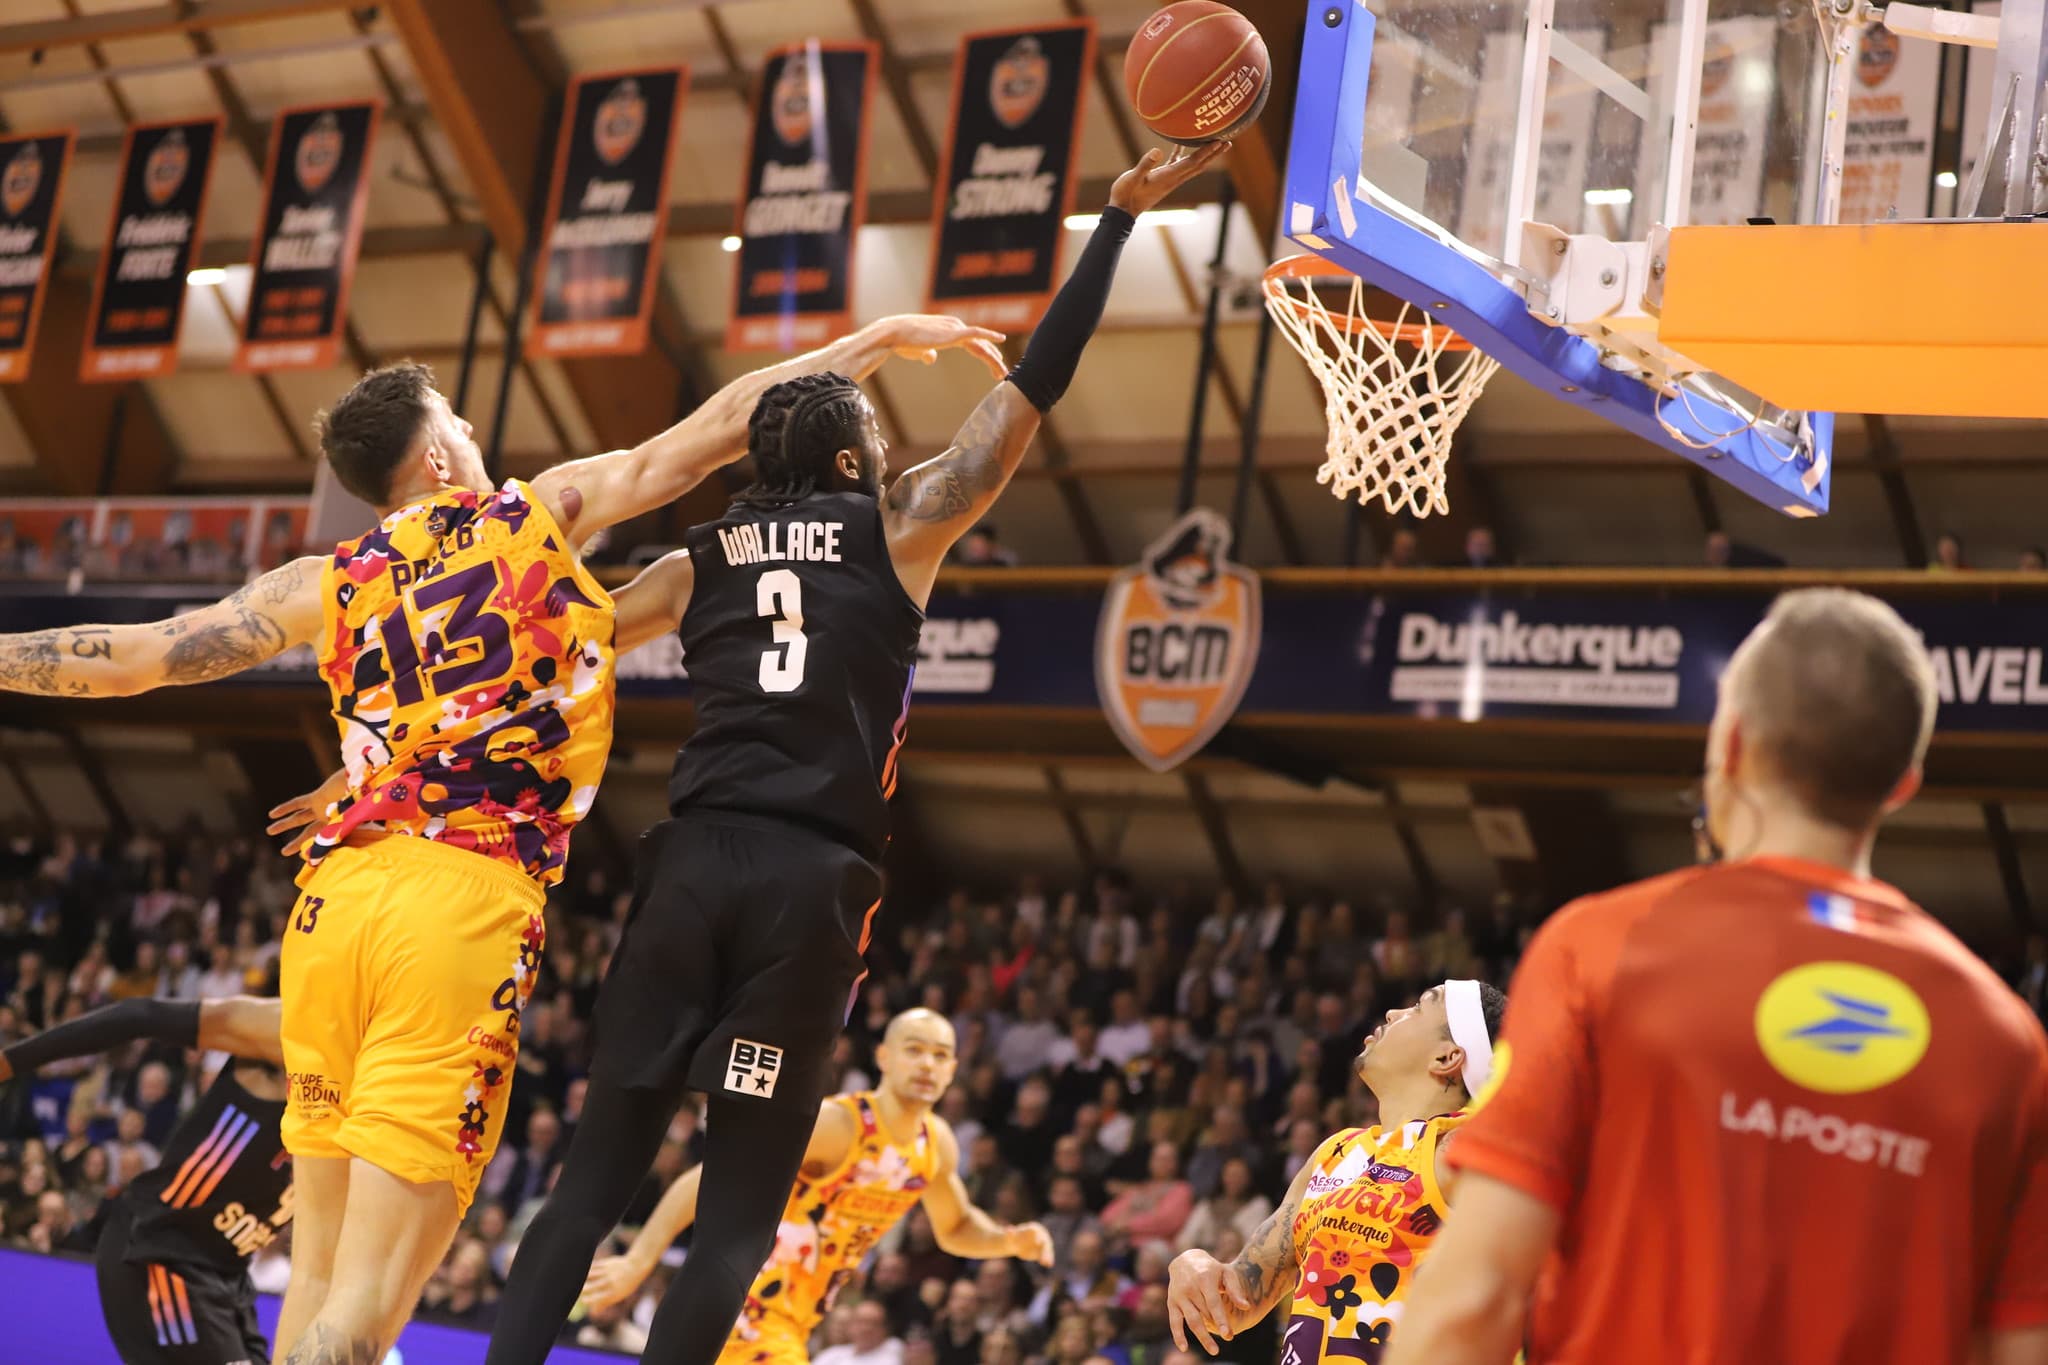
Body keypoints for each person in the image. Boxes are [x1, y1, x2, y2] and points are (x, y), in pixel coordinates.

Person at [0, 311, 1002, 1365]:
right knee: (370, 1300)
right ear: (437, 453)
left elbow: (143, 657)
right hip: (456, 906)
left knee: (318, 1263)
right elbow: (711, 433)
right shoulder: (531, 518)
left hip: (332, 909)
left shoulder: (324, 581)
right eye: (461, 422)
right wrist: (865, 345)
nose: (477, 432)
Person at [480, 140, 1227, 1365]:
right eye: (873, 440)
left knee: (581, 1192)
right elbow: (1034, 384)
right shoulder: (898, 525)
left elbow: (564, 644)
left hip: (686, 871)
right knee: (733, 1227)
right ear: (847, 463)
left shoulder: (694, 563)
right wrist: (1112, 219)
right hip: (803, 892)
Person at [1383, 589, 2048, 1365]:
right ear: (1904, 782)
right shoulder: (2006, 1042)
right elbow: (2018, 1348)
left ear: (1731, 745)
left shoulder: (1597, 949)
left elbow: (1474, 1299)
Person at [576, 1009, 1052, 1365]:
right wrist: (639, 1260)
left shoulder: (936, 1145)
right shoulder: (839, 1124)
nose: (928, 1064)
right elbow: (710, 1176)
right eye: (915, 1049)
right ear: (884, 1057)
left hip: (794, 1323)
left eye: (941, 1055)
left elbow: (956, 1227)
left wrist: (1009, 1240)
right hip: (741, 1309)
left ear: (953, 1071)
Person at [1165, 980, 1507, 1364]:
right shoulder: (1337, 1151)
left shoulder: (1460, 1147)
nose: (1394, 1013)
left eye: (1418, 1008)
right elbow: (1236, 1305)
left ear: (1447, 1058)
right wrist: (1194, 1266)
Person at [1, 993, 287, 1365]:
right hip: (161, 1248)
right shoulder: (287, 1033)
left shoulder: (376, 1090)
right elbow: (139, 1015)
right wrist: (9, 1062)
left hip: (229, 1272)